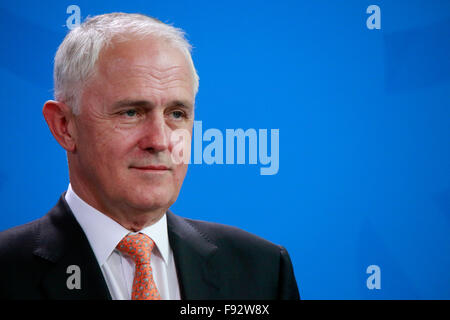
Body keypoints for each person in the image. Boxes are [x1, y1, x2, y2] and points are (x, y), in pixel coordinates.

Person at [0, 13, 299, 300]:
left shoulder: (263, 270)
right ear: (64, 126)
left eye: (177, 114)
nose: (160, 140)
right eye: (131, 112)